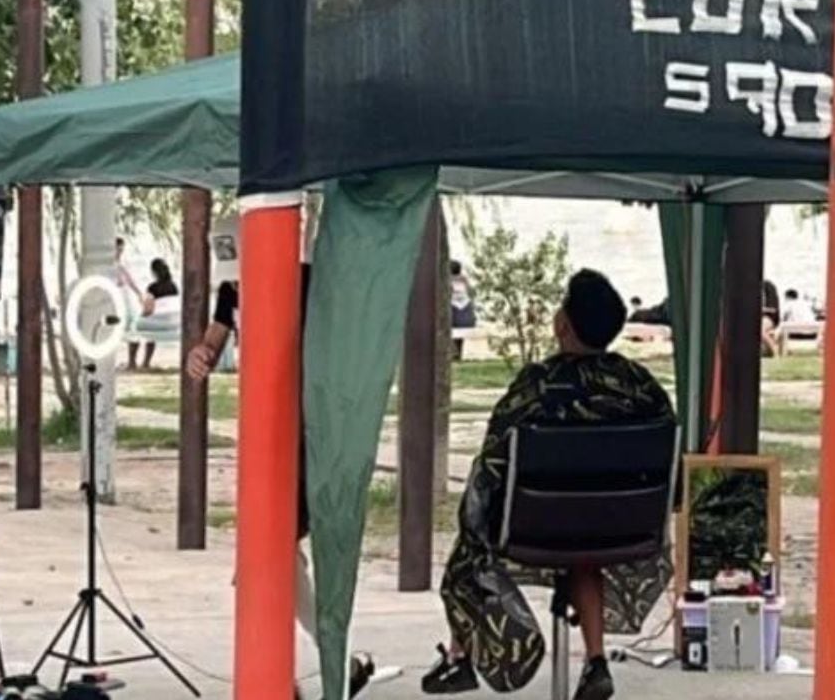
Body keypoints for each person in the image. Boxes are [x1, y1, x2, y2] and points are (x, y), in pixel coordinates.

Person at [423, 269, 674, 700]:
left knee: (474, 532)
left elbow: (495, 458)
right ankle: (596, 661)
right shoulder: (642, 386)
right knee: (585, 542)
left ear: (563, 324)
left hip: (532, 529)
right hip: (623, 528)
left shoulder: (537, 383)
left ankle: (462, 654)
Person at [185, 220, 374, 700]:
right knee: (268, 556)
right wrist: (202, 354)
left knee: (267, 554)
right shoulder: (232, 288)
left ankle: (318, 662)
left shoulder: (310, 281)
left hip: (305, 429)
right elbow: (216, 335)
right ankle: (317, 665)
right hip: (264, 427)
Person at [126, 258, 178, 370]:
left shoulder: (152, 287)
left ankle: (131, 363)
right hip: (171, 323)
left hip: (156, 323)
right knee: (150, 331)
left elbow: (148, 310)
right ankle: (146, 362)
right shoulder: (173, 287)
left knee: (134, 330)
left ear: (154, 272)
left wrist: (141, 316)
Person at [451, 261, 477, 361]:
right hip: (465, 312)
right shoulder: (464, 280)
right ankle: (457, 354)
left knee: (454, 334)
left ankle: (455, 354)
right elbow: (471, 293)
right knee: (458, 337)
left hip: (454, 311)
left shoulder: (447, 280)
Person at [760, 279, 780, 357]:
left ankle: (774, 349)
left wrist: (761, 309)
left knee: (761, 329)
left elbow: (773, 310)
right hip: (760, 316)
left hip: (769, 317)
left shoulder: (768, 287)